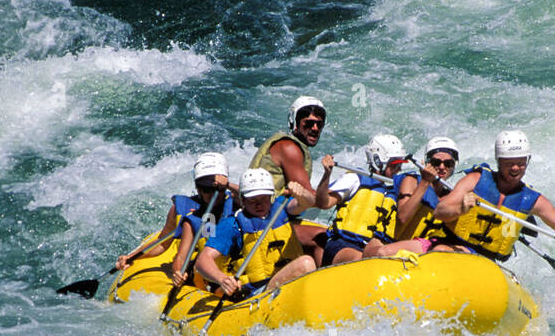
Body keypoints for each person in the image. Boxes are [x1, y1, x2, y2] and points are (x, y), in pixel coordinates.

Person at [427, 130, 555, 261]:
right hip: (453, 246)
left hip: (489, 261)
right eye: (509, 163)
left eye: (520, 163)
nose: (515, 168)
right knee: (441, 250)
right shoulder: (475, 180)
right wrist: (461, 208)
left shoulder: (532, 200)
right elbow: (440, 211)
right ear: (499, 161)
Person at [181, 167, 316, 297]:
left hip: (290, 282)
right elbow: (203, 260)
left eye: (263, 198)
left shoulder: (283, 207)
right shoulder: (232, 225)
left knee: (307, 263)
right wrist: (222, 279)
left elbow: (308, 203)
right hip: (259, 291)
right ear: (243, 200)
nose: (259, 204)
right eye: (252, 200)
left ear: (271, 196)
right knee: (305, 263)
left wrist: (302, 193)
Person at [314, 134, 431, 267]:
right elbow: (324, 203)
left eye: (400, 164)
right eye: (394, 164)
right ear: (377, 161)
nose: (398, 169)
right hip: (343, 246)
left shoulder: (398, 189)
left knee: (381, 257)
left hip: (375, 249)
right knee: (366, 260)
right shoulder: (355, 179)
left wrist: (426, 178)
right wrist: (327, 175)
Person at [115, 152, 236, 271]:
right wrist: (132, 257)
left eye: (217, 189)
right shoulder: (184, 209)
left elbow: (251, 196)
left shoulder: (239, 203)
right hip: (198, 265)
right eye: (206, 189)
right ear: (198, 189)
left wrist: (228, 184)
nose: (212, 194)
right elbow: (163, 243)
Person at [249, 95, 335, 255]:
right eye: (308, 123)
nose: (315, 128)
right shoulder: (289, 148)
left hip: (274, 215)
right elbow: (309, 195)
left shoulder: (291, 144)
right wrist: (342, 196)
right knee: (324, 238)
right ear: (295, 123)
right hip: (263, 220)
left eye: (319, 124)